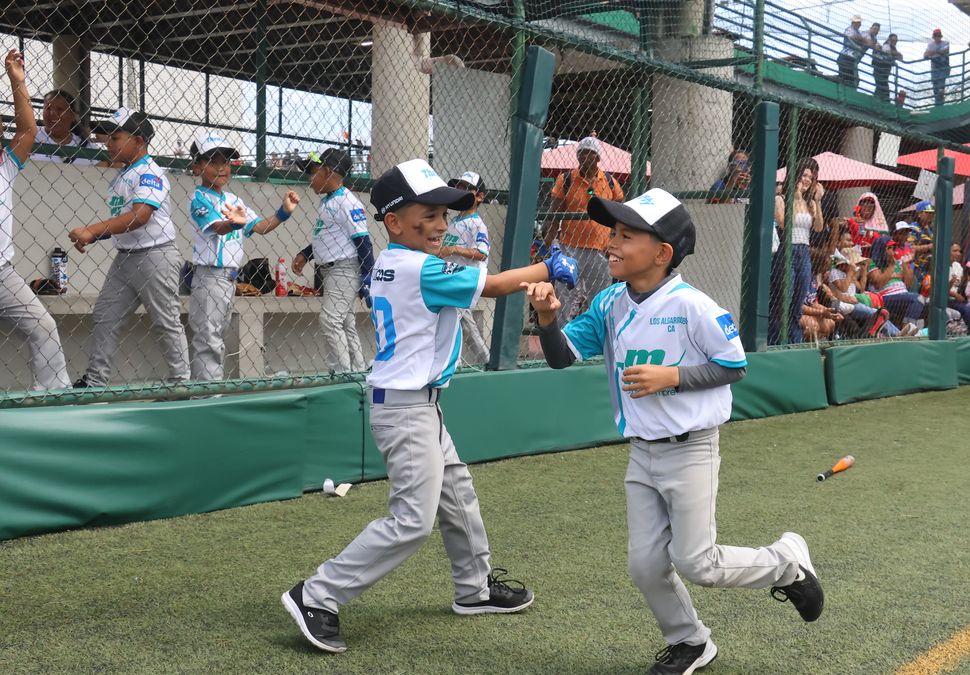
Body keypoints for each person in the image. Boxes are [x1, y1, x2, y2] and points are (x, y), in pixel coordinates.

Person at [281, 159, 580, 653]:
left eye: (445, 214)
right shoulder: (415, 265)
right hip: (405, 409)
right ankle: (317, 594)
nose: (442, 223)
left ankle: (474, 588)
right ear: (394, 222)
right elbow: (494, 285)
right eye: (429, 213)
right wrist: (549, 266)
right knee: (411, 521)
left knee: (458, 494)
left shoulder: (400, 262)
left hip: (418, 405)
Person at [526, 187, 823, 674]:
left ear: (662, 253)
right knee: (644, 566)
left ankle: (787, 562)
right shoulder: (609, 303)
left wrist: (674, 377)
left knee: (696, 562)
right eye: (613, 232)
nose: (611, 243)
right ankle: (691, 642)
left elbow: (734, 365)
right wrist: (546, 318)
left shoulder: (693, 306)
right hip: (642, 454)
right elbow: (562, 357)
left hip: (691, 451)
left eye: (626, 235)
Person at [68, 108, 189, 387]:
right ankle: (96, 381)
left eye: (116, 137)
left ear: (139, 140)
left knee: (164, 320)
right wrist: (93, 236)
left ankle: (182, 383)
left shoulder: (149, 171)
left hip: (155, 255)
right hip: (126, 258)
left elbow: (140, 216)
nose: (108, 143)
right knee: (105, 315)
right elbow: (122, 220)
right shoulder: (122, 174)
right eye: (107, 137)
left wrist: (92, 230)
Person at [186, 135, 299, 381]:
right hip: (210, 277)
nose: (221, 167)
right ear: (197, 166)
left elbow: (260, 227)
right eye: (213, 161)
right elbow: (218, 227)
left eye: (225, 161)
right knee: (209, 339)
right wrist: (233, 223)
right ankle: (207, 399)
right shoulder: (199, 198)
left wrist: (284, 212)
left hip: (229, 280)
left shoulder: (234, 200)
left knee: (217, 337)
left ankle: (209, 391)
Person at [0, 50, 70, 391]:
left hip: (3, 275)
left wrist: (18, 83)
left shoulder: (6, 167)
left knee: (43, 327)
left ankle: (54, 398)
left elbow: (28, 129)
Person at [292, 149, 374, 373]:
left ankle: (342, 374)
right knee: (345, 322)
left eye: (313, 172)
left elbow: (362, 240)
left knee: (330, 321)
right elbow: (328, 237)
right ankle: (357, 371)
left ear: (328, 171)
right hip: (331, 270)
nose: (310, 178)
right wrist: (305, 254)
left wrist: (368, 276)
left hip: (344, 269)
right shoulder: (329, 201)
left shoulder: (347, 202)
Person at [546, 136, 624, 323]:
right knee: (565, 296)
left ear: (598, 157)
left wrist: (614, 238)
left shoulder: (608, 182)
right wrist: (548, 241)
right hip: (570, 246)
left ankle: (599, 333)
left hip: (599, 249)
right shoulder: (566, 179)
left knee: (600, 296)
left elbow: (619, 206)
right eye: (582, 152)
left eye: (590, 153)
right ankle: (563, 336)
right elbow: (554, 211)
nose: (585, 157)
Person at [772, 157, 824, 344]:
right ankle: (777, 342)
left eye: (811, 177)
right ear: (795, 176)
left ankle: (794, 343)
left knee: (797, 305)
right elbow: (784, 223)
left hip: (804, 253)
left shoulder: (809, 203)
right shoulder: (781, 198)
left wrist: (817, 202)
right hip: (787, 251)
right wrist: (795, 196)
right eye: (804, 175)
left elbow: (818, 228)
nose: (808, 180)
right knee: (783, 303)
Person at [443, 170, 492, 364]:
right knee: (463, 322)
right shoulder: (454, 220)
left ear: (479, 196)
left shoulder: (477, 224)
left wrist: (453, 249)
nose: (460, 191)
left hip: (466, 278)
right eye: (459, 187)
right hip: (452, 278)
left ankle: (459, 363)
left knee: (456, 321)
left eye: (466, 188)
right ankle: (484, 360)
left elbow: (482, 252)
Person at [868, 239, 923, 334]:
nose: (892, 251)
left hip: (903, 294)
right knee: (917, 299)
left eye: (893, 248)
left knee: (929, 303)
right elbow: (878, 283)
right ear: (881, 249)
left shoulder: (898, 263)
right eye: (889, 248)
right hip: (885, 297)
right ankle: (906, 332)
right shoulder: (873, 263)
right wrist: (891, 267)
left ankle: (918, 332)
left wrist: (905, 264)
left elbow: (909, 283)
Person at [32, 88, 99, 164]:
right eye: (48, 108)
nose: (53, 113)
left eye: (60, 109)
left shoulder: (86, 146)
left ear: (72, 115)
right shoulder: (31, 135)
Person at [837, 16, 875, 88]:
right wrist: (863, 40)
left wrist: (864, 40)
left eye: (859, 23)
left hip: (850, 57)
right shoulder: (849, 29)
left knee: (850, 78)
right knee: (848, 78)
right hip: (846, 56)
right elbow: (852, 36)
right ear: (853, 23)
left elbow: (869, 43)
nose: (859, 24)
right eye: (858, 22)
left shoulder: (858, 32)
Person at [872, 33, 903, 102]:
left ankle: (877, 99)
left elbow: (901, 58)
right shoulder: (886, 45)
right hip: (880, 69)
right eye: (893, 40)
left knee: (881, 86)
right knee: (882, 86)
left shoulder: (893, 48)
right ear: (889, 39)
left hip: (885, 71)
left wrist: (897, 54)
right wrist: (897, 53)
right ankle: (882, 101)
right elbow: (886, 51)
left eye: (895, 41)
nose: (894, 42)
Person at [925, 28, 951, 106]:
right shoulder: (930, 44)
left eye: (938, 35)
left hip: (943, 65)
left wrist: (932, 53)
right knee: (935, 87)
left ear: (941, 36)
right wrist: (937, 53)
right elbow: (925, 54)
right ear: (933, 37)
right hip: (934, 67)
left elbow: (945, 51)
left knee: (940, 87)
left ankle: (940, 105)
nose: (937, 37)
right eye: (935, 35)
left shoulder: (946, 43)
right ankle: (938, 105)